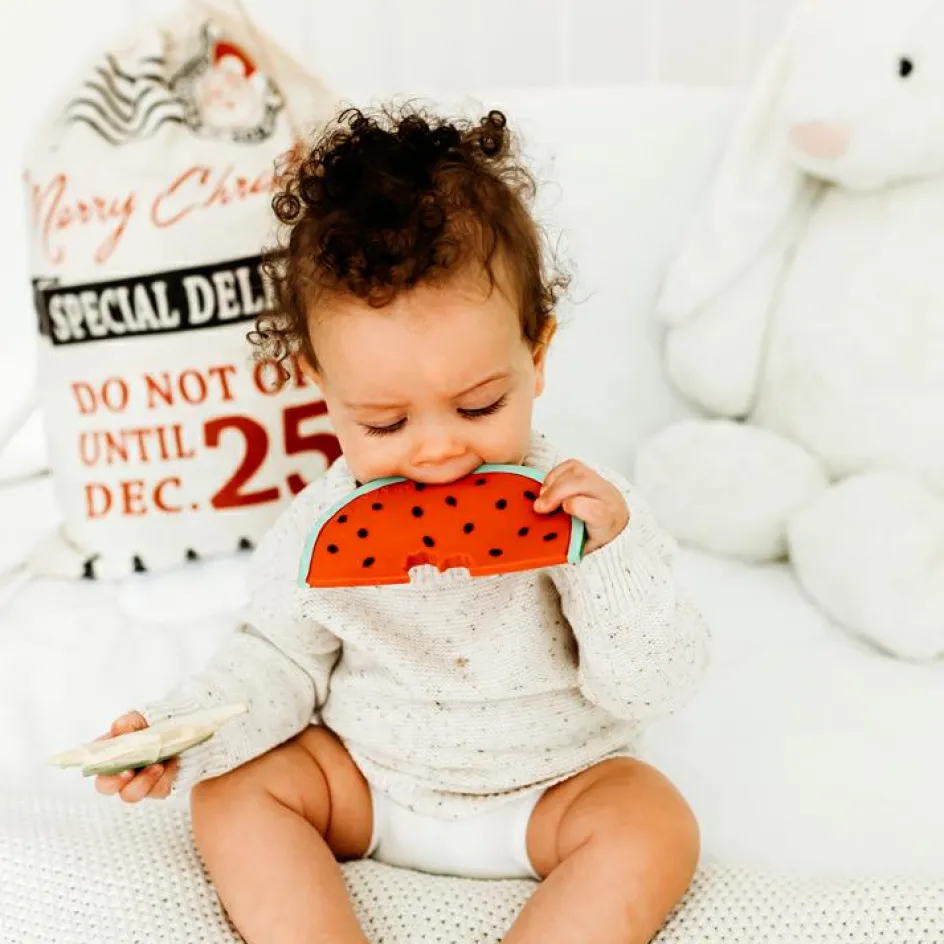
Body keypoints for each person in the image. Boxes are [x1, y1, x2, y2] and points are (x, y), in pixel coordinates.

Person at [95, 105, 710, 944]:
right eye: (384, 423)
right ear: (321, 384)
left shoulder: (587, 513)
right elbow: (277, 662)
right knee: (233, 793)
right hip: (366, 784)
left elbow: (653, 689)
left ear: (536, 355)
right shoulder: (319, 528)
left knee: (655, 825)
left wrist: (610, 558)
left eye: (479, 406)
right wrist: (182, 733)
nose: (436, 451)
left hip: (554, 790)